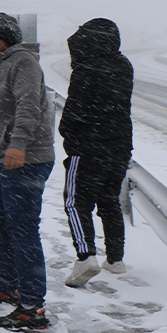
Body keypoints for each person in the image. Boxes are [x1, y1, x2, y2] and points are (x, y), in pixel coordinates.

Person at [0, 12, 56, 331]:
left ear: (7, 38)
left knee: (22, 230)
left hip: (27, 159)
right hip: (4, 158)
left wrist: (18, 144)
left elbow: (29, 106)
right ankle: (9, 284)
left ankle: (32, 307)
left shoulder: (22, 62)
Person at [59, 18, 134, 287]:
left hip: (88, 147)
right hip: (120, 145)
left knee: (75, 202)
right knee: (109, 201)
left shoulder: (86, 68)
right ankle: (115, 260)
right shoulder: (124, 65)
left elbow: (75, 110)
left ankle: (85, 257)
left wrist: (67, 132)